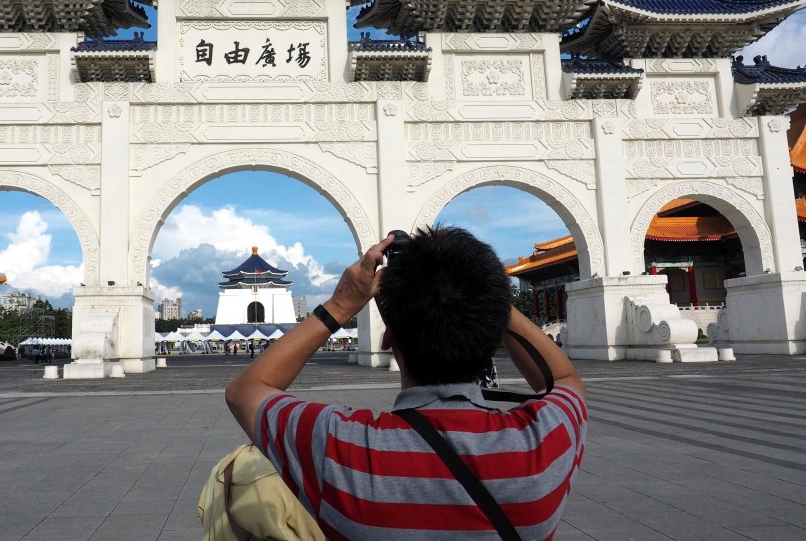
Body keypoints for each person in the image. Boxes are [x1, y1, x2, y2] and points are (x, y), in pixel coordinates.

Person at [225, 227, 587, 540]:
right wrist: (484, 293)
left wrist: (340, 304)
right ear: (494, 327)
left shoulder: (341, 448)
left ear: (389, 339)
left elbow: (246, 391)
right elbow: (565, 379)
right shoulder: (543, 445)